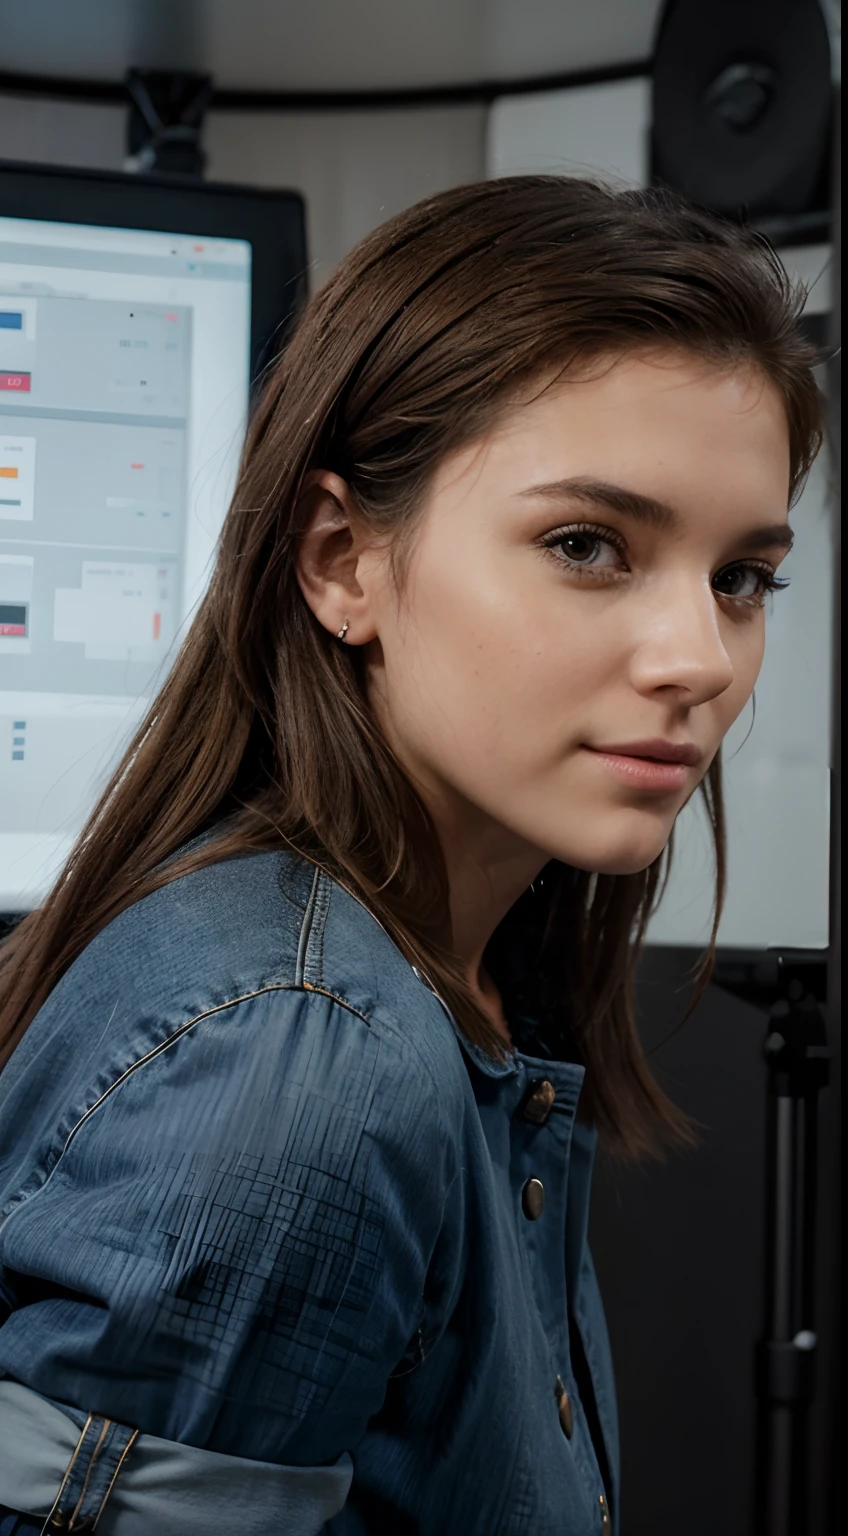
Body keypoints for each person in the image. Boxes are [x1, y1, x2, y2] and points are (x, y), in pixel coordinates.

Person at [0, 176, 823, 1536]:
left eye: (741, 576)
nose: (700, 661)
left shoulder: (470, 969)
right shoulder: (296, 1057)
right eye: (586, 546)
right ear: (342, 562)